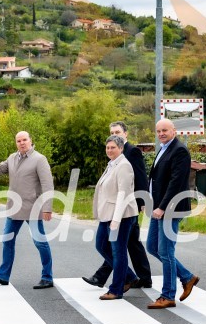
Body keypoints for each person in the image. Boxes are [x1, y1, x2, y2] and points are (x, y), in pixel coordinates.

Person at [0, 131, 54, 289]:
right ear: (16, 143)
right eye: (19, 141)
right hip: (14, 209)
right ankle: (3, 276)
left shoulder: (39, 159)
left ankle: (47, 277)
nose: (22, 143)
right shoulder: (12, 158)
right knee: (7, 240)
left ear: (30, 140)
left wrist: (47, 208)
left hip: (33, 208)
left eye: (24, 140)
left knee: (40, 243)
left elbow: (47, 184)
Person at [83, 121, 152, 289]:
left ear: (125, 134)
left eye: (118, 131)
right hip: (117, 206)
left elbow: (141, 177)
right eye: (112, 132)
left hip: (128, 206)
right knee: (127, 244)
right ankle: (138, 277)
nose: (115, 134)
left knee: (122, 244)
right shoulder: (113, 155)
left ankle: (129, 278)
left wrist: (142, 201)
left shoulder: (131, 151)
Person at [145, 119, 199, 309]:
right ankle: (186, 276)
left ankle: (168, 295)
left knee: (166, 252)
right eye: (158, 130)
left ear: (174, 131)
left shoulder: (179, 150)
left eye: (165, 130)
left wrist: (162, 207)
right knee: (152, 247)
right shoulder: (163, 148)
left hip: (170, 208)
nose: (161, 133)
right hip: (158, 207)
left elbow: (176, 183)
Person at [93, 135, 140, 300]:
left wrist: (116, 219)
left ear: (121, 148)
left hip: (121, 216)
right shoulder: (112, 165)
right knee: (101, 246)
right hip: (107, 215)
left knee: (118, 252)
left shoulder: (124, 166)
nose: (109, 150)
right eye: (107, 147)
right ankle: (129, 277)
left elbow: (123, 194)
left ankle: (116, 289)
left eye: (113, 147)